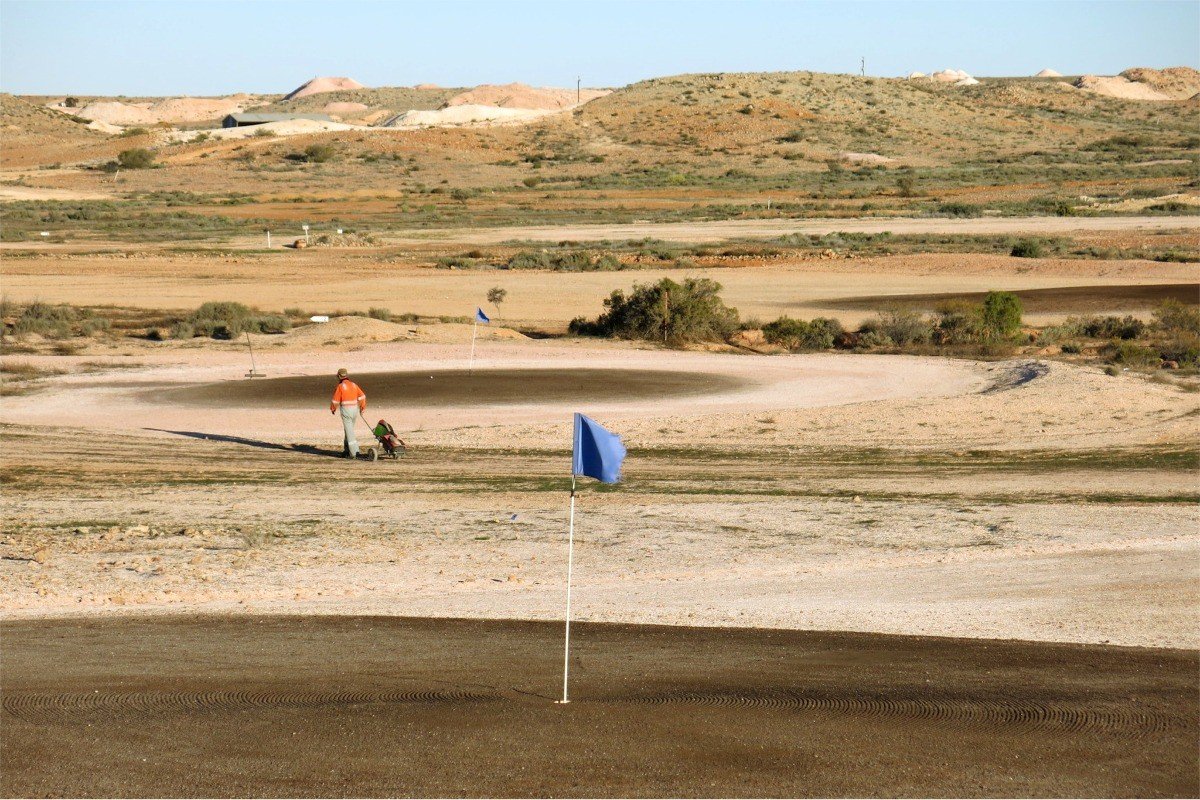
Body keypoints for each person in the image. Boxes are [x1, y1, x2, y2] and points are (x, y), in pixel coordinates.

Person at [330, 368, 367, 458]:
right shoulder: (354, 385)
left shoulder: (340, 386)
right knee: (348, 430)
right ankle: (346, 450)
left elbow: (335, 400)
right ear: (346, 375)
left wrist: (333, 409)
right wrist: (362, 407)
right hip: (355, 410)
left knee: (349, 432)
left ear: (339, 376)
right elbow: (362, 396)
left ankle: (354, 453)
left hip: (346, 411)